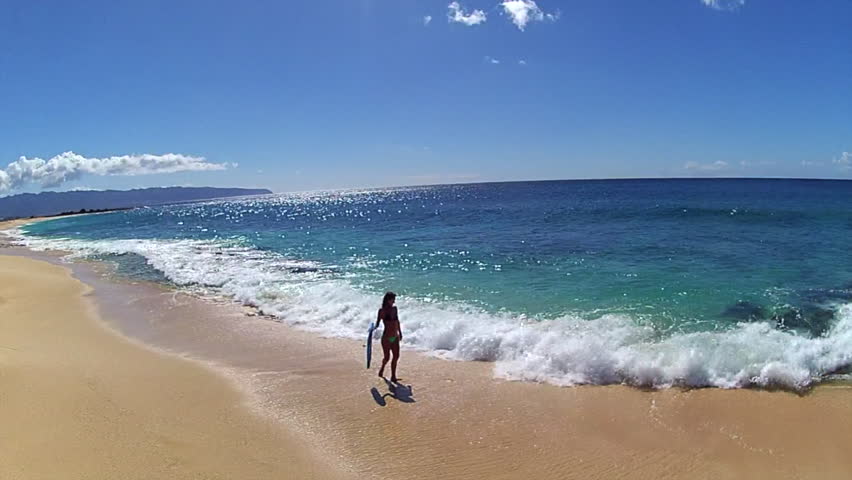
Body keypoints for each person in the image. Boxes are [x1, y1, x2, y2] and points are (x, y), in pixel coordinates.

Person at [376, 291, 402, 382]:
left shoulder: (395, 309)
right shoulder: (381, 311)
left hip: (395, 337)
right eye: (392, 300)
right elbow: (377, 324)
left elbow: (397, 321)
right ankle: (382, 368)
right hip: (386, 337)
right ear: (387, 300)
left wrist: (400, 333)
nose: (394, 302)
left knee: (396, 356)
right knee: (387, 357)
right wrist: (371, 330)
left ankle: (393, 376)